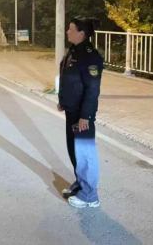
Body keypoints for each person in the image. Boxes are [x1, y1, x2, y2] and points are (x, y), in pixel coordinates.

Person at [57, 17, 104, 209]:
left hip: (82, 115)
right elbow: (69, 79)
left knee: (85, 153)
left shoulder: (90, 57)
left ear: (81, 34)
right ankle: (81, 183)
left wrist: (86, 116)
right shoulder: (74, 51)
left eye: (71, 29)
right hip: (72, 110)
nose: (67, 32)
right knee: (74, 150)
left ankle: (89, 195)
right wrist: (63, 101)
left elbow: (92, 89)